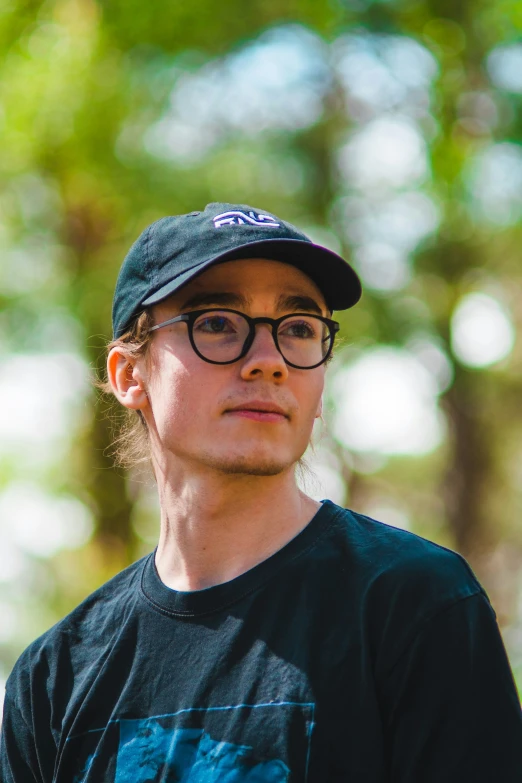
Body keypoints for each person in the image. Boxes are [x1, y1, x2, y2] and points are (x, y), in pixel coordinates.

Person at [1, 202, 521, 782]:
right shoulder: (54, 678)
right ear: (130, 375)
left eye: (299, 330)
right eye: (218, 322)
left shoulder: (415, 606)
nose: (269, 361)